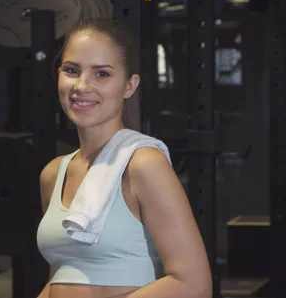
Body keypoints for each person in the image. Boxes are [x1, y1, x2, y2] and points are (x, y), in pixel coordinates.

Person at [36, 18, 212, 298]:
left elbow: (193, 284)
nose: (82, 85)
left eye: (102, 74)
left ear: (130, 86)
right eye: (72, 70)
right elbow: (62, 277)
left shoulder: (144, 165)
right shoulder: (53, 174)